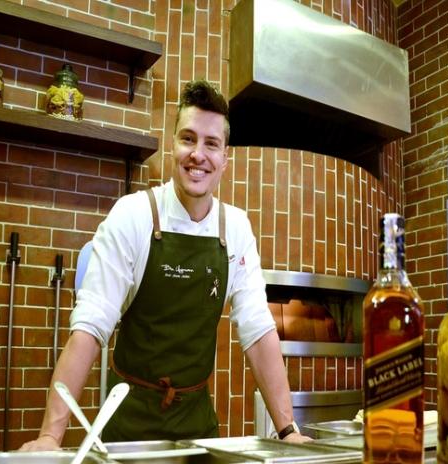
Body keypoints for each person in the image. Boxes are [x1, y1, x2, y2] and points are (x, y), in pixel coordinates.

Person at [20, 79, 310, 449]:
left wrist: (287, 430)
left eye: (211, 144)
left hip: (197, 427)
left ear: (225, 158)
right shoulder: (134, 214)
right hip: (129, 429)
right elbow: (91, 326)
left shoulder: (235, 228)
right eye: (188, 139)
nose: (198, 155)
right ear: (173, 144)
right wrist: (50, 436)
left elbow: (258, 331)